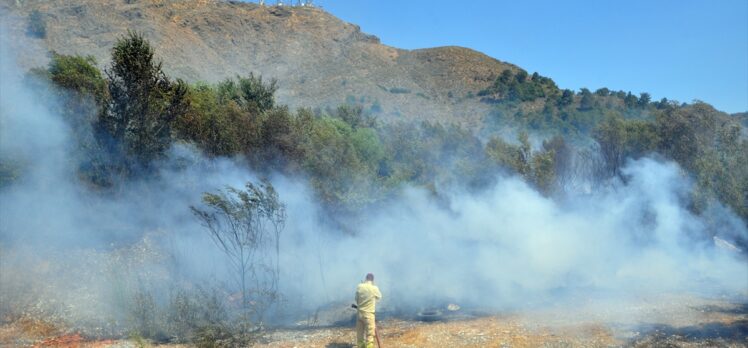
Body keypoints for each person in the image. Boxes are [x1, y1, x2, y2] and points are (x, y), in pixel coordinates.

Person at [355, 273, 382, 348]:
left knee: (360, 336)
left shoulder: (359, 286)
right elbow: (379, 297)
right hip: (369, 315)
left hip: (359, 314)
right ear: (372, 280)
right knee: (370, 336)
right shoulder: (374, 288)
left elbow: (356, 299)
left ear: (365, 278)